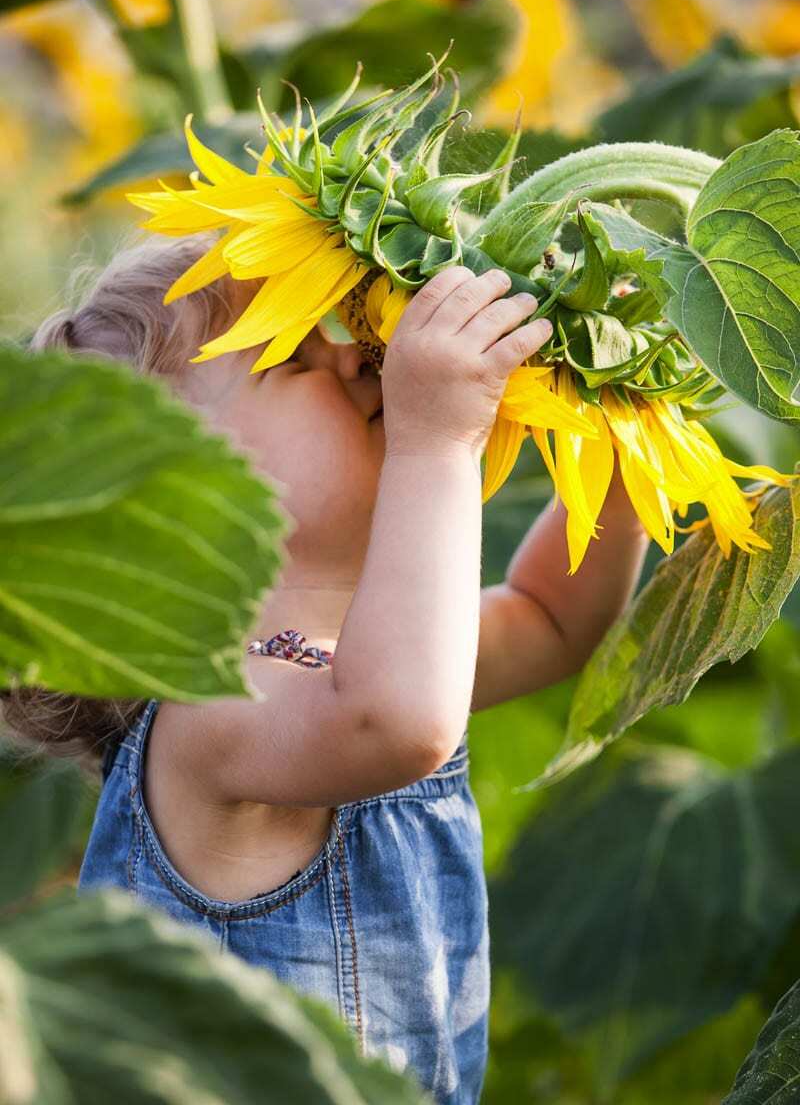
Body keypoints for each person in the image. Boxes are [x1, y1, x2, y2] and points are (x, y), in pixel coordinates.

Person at [5, 233, 649, 1104]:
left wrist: (617, 454)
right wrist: (437, 442)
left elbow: (551, 619)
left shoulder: (353, 660)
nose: (355, 356)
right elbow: (401, 723)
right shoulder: (210, 713)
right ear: (173, 497)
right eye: (289, 354)